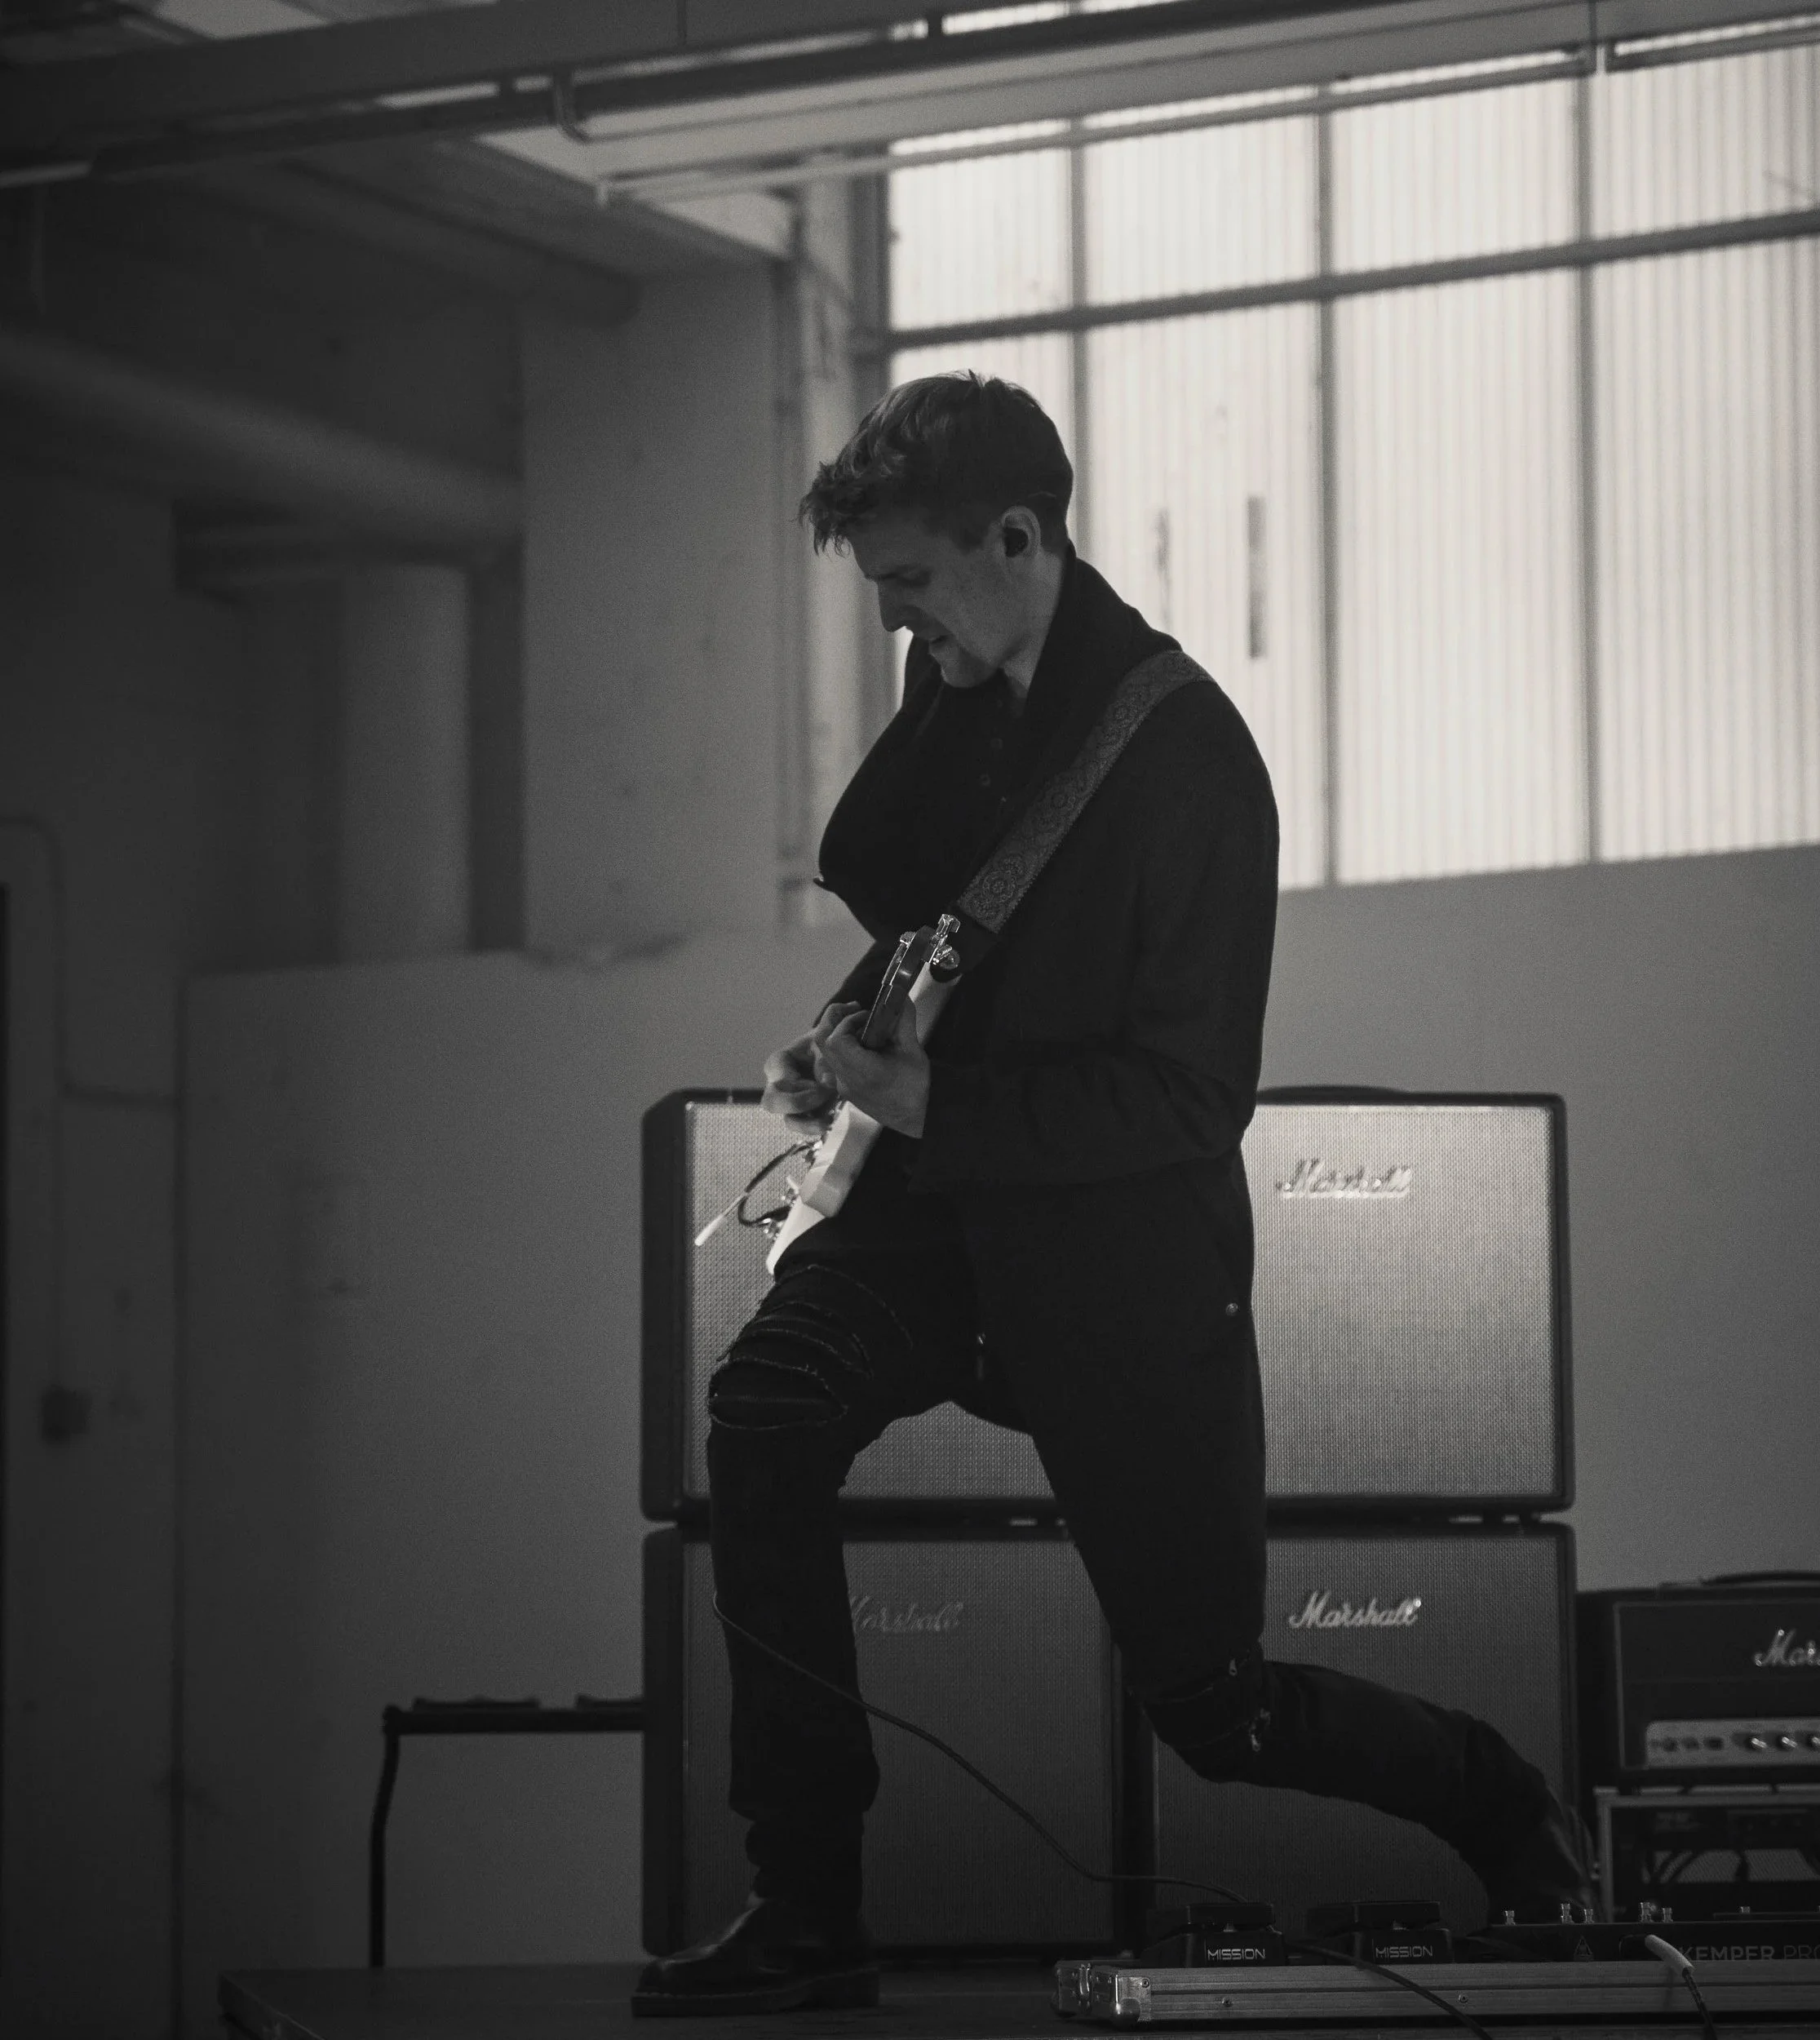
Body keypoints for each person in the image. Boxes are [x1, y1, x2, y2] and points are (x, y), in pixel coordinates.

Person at [632, 374, 1591, 2019]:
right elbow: (935, 909)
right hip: (940, 1215)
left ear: (1018, 537)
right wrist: (851, 1042)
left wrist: (941, 1095)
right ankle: (806, 1899)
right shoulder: (973, 695)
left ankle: (1494, 1793)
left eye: (913, 584)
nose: (896, 625)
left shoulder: (1188, 754)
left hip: (1115, 1253)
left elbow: (1187, 1093)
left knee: (1216, 1710)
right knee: (763, 1410)